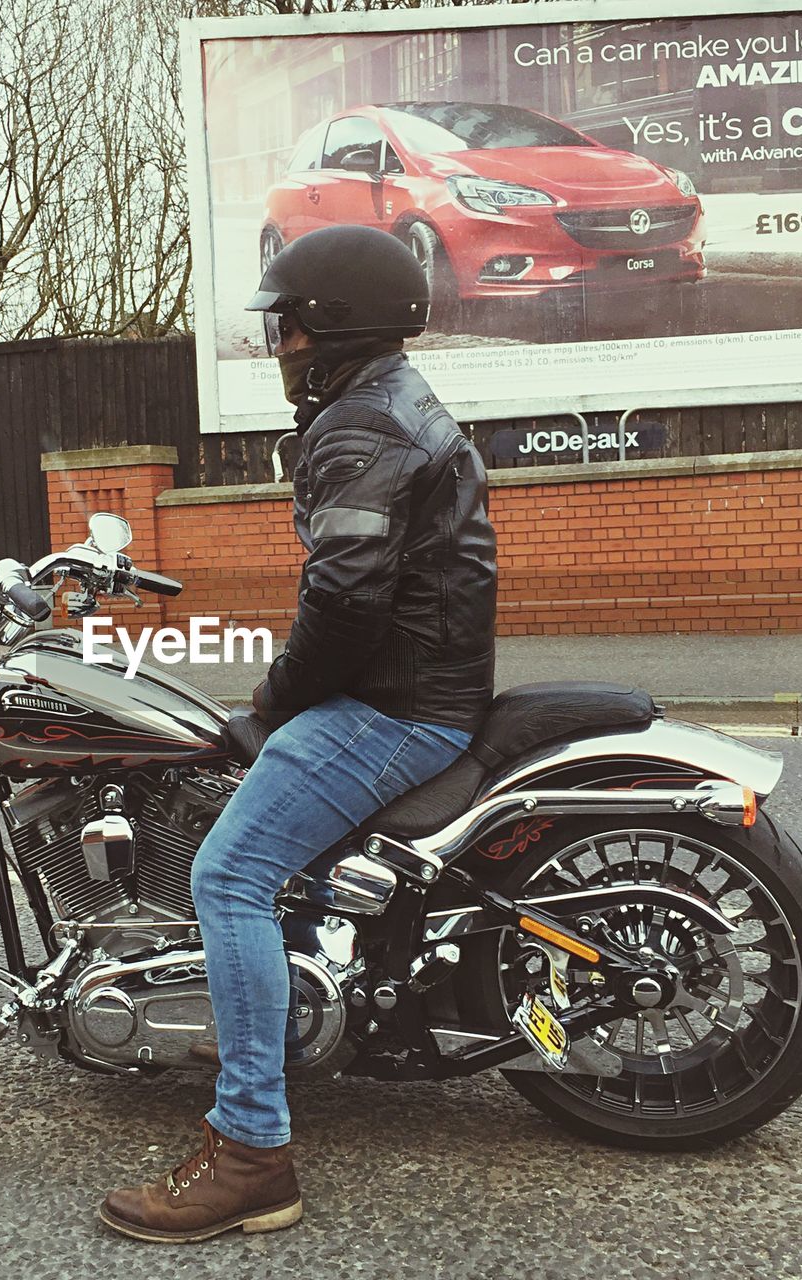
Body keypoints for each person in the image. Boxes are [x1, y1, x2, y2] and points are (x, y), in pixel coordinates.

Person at [99, 225, 498, 1243]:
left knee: (225, 874)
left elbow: (347, 598)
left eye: (284, 324)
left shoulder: (358, 427)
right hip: (414, 681)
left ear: (330, 324)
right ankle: (254, 1025)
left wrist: (270, 704)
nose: (275, 342)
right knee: (240, 818)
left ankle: (250, 1155)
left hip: (398, 702)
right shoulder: (379, 402)